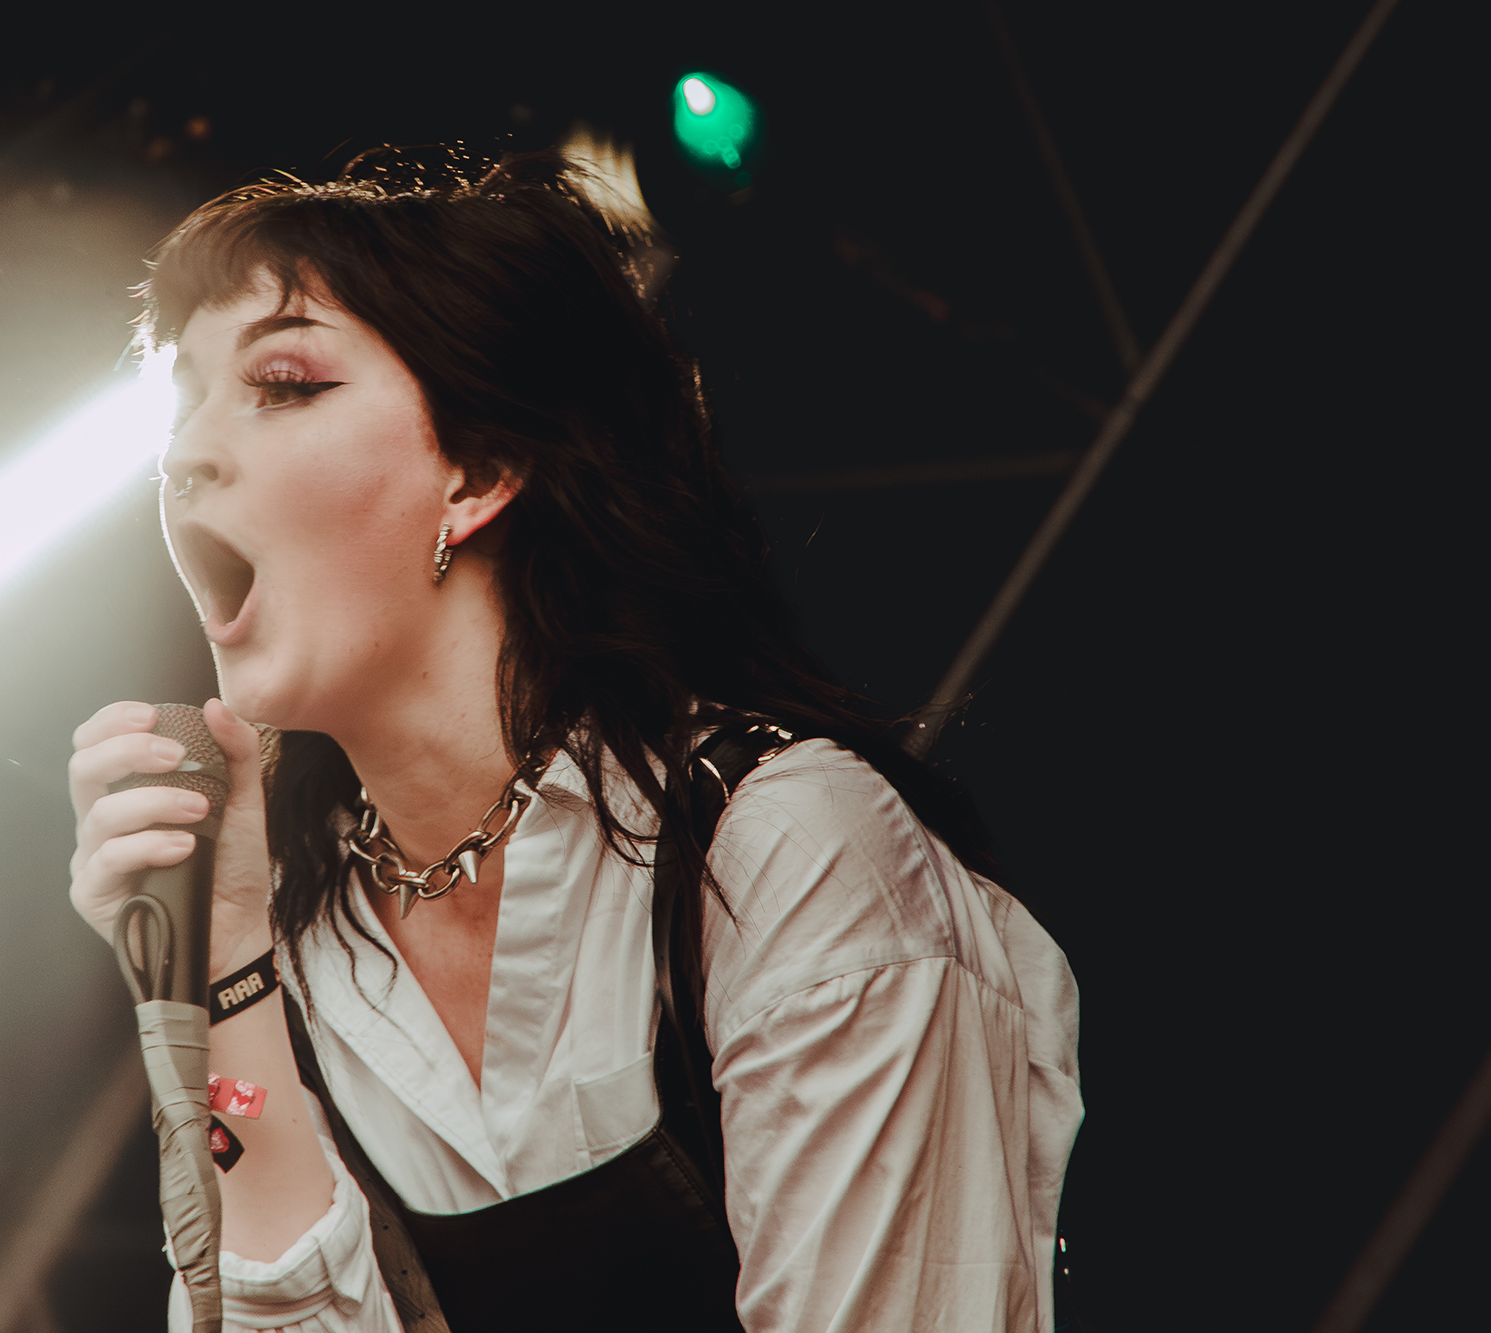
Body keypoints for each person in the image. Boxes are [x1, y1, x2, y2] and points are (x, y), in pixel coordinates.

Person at [66, 149, 1081, 1332]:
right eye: (180, 403)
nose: (183, 455)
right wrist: (226, 969)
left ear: (479, 470)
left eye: (282, 384)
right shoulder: (304, 943)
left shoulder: (778, 848)